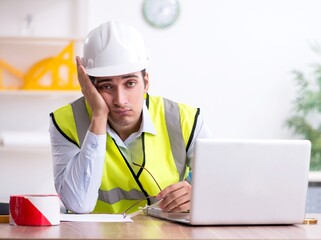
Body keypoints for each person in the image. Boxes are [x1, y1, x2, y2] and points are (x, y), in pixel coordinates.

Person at [49, 20, 212, 214]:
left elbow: (222, 186)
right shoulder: (65, 122)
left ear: (146, 82)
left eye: (130, 83)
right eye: (106, 86)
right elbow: (78, 204)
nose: (120, 100)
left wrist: (199, 196)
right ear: (89, 87)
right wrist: (99, 116)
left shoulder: (185, 119)